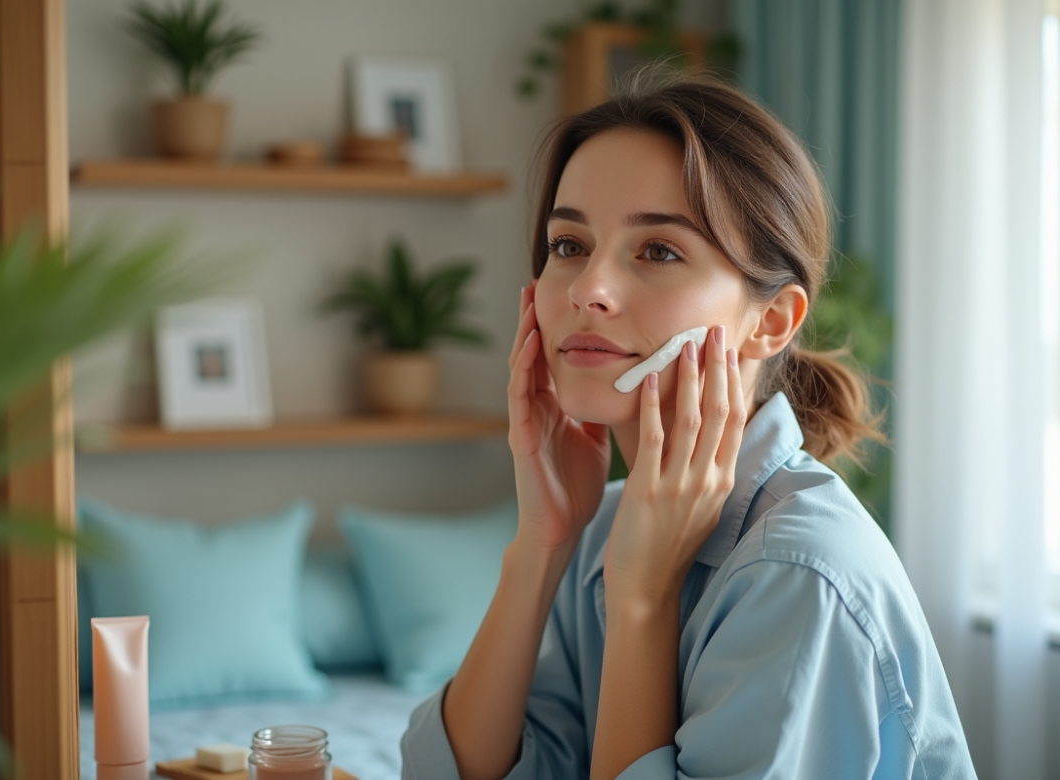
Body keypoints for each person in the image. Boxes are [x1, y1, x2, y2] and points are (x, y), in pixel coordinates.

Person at [400, 72, 977, 780]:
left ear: (770, 322)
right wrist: (540, 547)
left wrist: (643, 600)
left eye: (659, 251)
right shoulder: (598, 535)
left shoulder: (797, 573)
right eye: (568, 245)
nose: (587, 289)